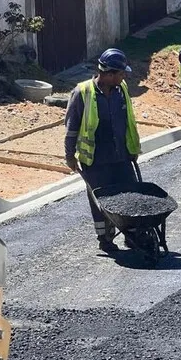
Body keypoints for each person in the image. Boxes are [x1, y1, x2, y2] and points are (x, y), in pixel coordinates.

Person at [65, 48, 140, 253]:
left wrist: (133, 149)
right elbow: (72, 127)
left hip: (121, 155)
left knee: (130, 195)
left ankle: (132, 235)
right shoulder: (83, 92)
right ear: (108, 74)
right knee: (102, 203)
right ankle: (105, 239)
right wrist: (69, 155)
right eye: (121, 73)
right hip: (96, 159)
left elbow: (128, 122)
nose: (124, 76)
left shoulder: (121, 89)